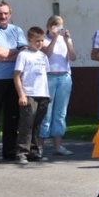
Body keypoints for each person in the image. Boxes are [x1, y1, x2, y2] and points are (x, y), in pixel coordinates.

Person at [39, 16, 77, 156]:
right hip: (49, 76)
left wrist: (67, 41)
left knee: (60, 113)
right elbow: (46, 55)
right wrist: (54, 38)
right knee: (46, 113)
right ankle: (40, 147)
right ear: (48, 27)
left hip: (64, 77)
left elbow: (72, 57)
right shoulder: (43, 40)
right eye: (53, 26)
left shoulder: (65, 40)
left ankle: (58, 146)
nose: (56, 29)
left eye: (59, 26)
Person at [13, 27, 50, 165]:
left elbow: (45, 75)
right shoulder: (24, 55)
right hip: (29, 94)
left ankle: (34, 152)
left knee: (36, 125)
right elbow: (17, 75)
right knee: (26, 125)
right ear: (29, 40)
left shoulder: (43, 56)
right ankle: (22, 153)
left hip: (43, 94)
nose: (39, 43)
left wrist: (47, 94)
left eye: (41, 40)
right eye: (37, 41)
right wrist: (21, 95)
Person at [0, 2, 27, 162]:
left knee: (12, 117)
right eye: (0, 13)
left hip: (14, 80)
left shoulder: (17, 31)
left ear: (10, 14)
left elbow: (24, 51)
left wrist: (5, 54)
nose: (3, 16)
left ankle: (9, 151)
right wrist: (14, 53)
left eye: (6, 13)